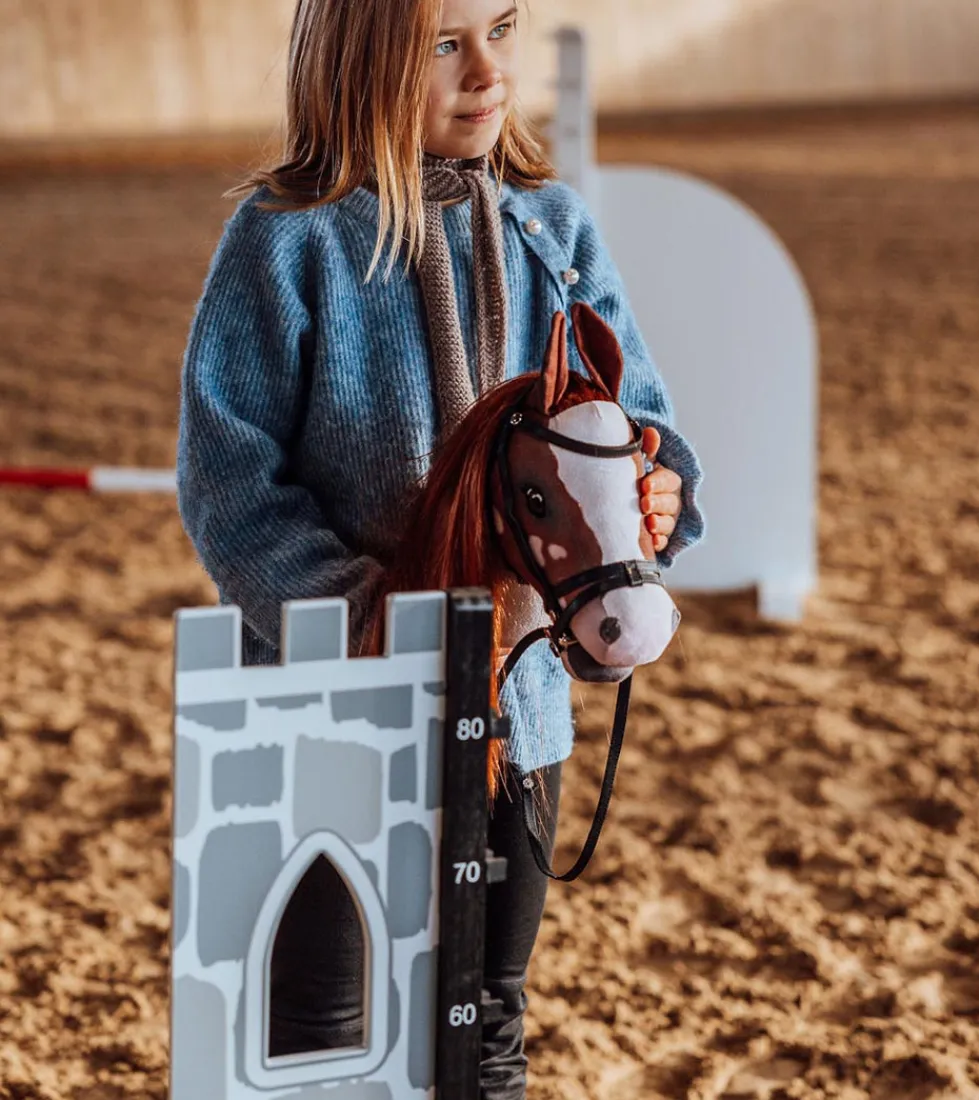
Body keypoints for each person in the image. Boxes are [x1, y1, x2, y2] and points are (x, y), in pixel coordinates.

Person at [176, 0, 705, 1093]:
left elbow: (638, 424)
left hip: (522, 710)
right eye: (443, 46)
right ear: (356, 59)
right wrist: (372, 617)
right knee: (322, 1025)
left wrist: (657, 495)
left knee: (487, 1016)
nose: (487, 73)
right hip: (332, 706)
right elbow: (229, 480)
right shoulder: (287, 239)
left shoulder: (556, 230)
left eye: (501, 30)